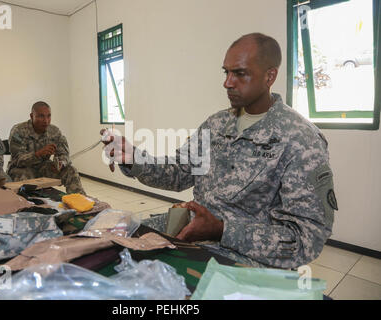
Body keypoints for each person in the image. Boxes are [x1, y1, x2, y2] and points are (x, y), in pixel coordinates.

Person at [101, 33, 337, 269]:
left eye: (240, 73)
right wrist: (134, 158)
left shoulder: (300, 139)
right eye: (226, 72)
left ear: (269, 76)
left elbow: (307, 239)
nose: (228, 82)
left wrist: (221, 230)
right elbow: (180, 171)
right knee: (110, 246)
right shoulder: (216, 124)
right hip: (193, 234)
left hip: (246, 260)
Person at [7, 101, 86, 195]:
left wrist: (60, 164)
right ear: (32, 116)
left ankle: (79, 201)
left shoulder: (54, 131)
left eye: (49, 116)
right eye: (41, 116)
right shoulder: (18, 131)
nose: (46, 120)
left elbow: (64, 154)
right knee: (24, 176)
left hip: (43, 167)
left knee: (70, 170)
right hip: (21, 169)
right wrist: (38, 154)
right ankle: (25, 205)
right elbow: (18, 160)